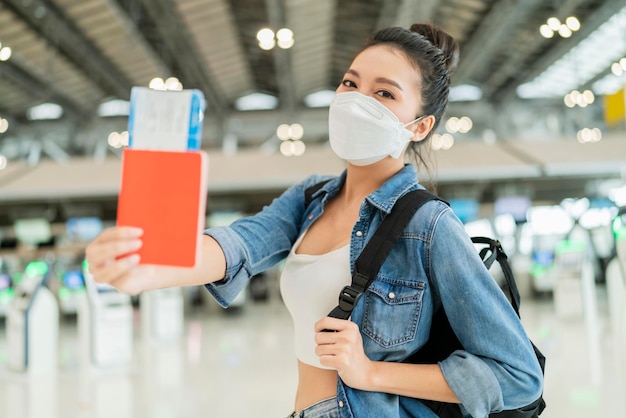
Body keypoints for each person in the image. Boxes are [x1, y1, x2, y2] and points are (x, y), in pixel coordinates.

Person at [86, 22, 543, 418]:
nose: (355, 100)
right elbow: (240, 244)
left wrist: (370, 371)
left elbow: (518, 374)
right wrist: (147, 265)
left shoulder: (428, 225)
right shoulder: (310, 197)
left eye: (384, 92)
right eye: (350, 83)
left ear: (419, 126)